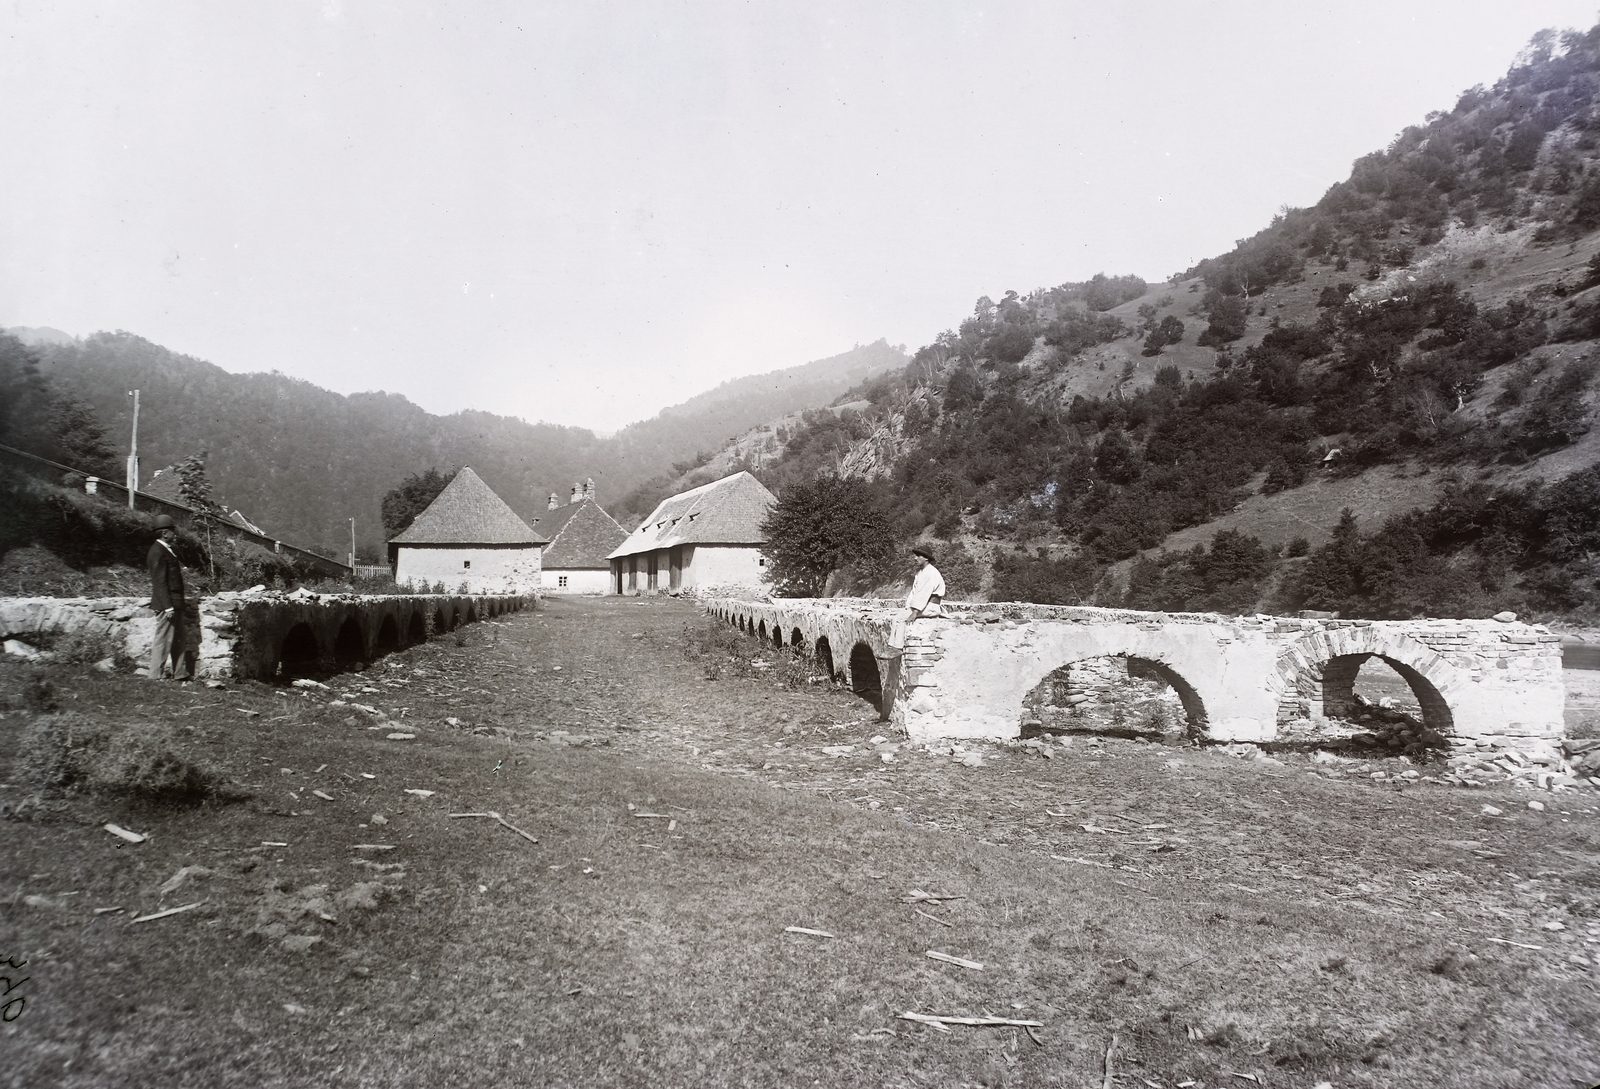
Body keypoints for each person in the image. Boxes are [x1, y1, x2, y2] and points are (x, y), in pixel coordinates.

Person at [147, 514, 191, 681]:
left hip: (175, 602)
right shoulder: (157, 551)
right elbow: (159, 583)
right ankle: (155, 675)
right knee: (163, 640)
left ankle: (180, 673)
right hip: (168, 604)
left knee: (179, 639)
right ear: (165, 533)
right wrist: (168, 607)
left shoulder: (166, 550)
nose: (175, 534)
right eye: (173, 531)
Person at [889, 546, 945, 651]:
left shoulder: (931, 573)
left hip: (931, 606)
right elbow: (914, 593)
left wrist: (914, 612)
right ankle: (891, 646)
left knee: (900, 618)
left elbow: (924, 594)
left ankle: (897, 647)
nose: (915, 558)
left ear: (926, 558)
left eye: (918, 556)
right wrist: (908, 607)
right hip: (923, 606)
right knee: (897, 617)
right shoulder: (920, 573)